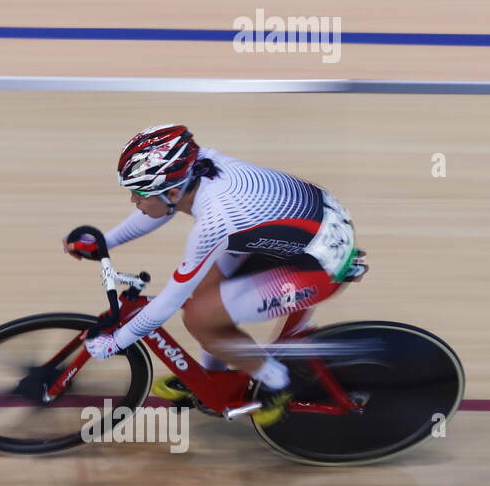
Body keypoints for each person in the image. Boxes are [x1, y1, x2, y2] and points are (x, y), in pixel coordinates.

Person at [63, 125, 364, 424]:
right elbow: (157, 209)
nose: (133, 200)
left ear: (172, 190)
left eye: (139, 192)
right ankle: (212, 380)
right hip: (304, 230)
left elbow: (169, 301)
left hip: (320, 265)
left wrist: (116, 342)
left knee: (199, 318)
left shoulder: (215, 220)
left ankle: (277, 381)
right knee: (206, 297)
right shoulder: (198, 165)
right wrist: (105, 242)